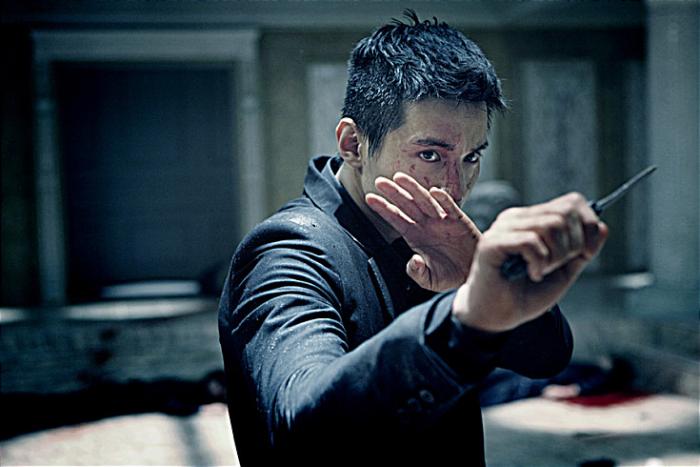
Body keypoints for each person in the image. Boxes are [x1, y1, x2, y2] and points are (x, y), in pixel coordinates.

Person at [218, 10, 608, 466]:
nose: (456, 188)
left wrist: (482, 278)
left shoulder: (433, 230)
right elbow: (302, 425)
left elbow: (547, 359)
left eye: (471, 158)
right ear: (353, 144)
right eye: (430, 155)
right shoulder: (287, 251)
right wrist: (463, 315)